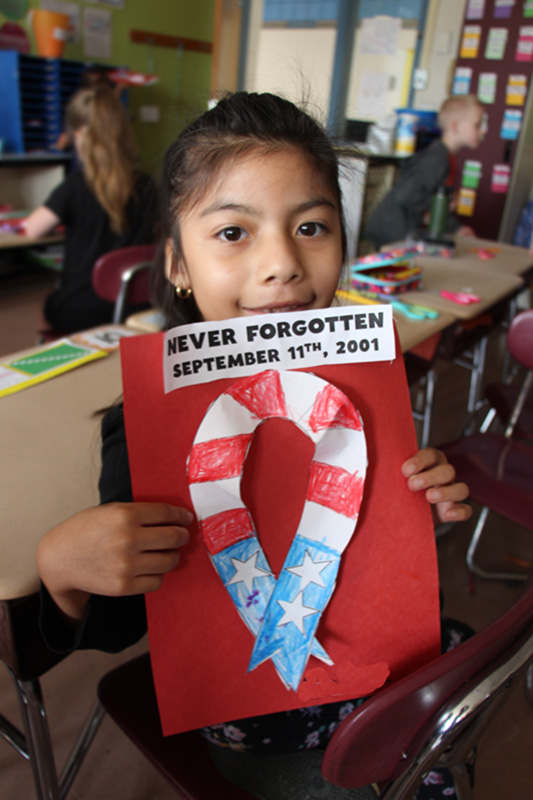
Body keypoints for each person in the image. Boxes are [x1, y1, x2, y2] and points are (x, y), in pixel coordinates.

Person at [36, 92, 472, 799]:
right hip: (267, 736)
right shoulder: (146, 423)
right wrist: (63, 574)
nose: (281, 264)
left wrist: (416, 501)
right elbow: (125, 621)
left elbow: (373, 557)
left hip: (394, 696)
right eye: (233, 233)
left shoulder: (366, 388)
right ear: (177, 262)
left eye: (310, 226)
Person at [22, 87, 158, 333]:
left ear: (79, 136)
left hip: (81, 309)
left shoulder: (74, 187)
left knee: (47, 310)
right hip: (140, 305)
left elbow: (32, 230)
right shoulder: (149, 185)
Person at [365, 94, 484, 249]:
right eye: (477, 125)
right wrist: (437, 208)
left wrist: (455, 226)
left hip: (395, 226)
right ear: (455, 126)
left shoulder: (442, 156)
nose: (483, 131)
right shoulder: (438, 159)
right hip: (393, 227)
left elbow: (428, 197)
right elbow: (407, 196)